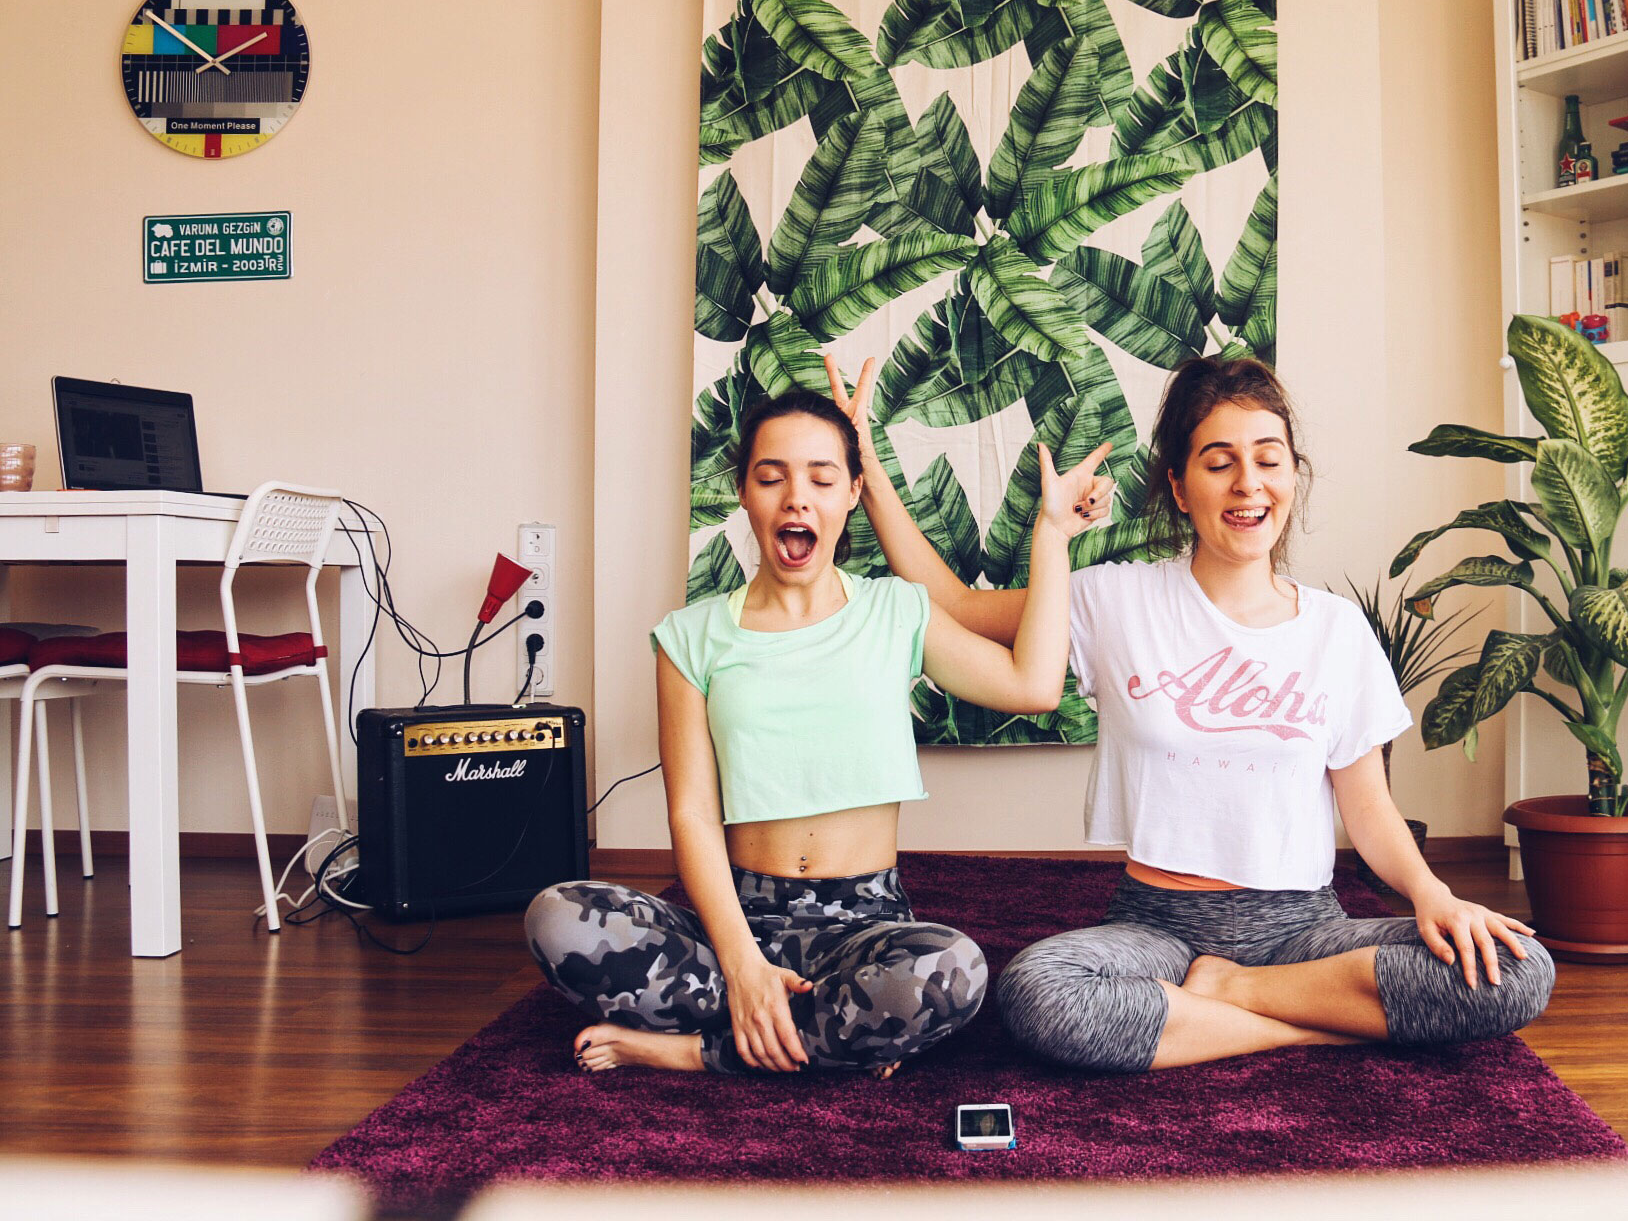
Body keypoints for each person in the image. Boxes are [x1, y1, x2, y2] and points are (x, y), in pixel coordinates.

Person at [836, 352, 1555, 1072]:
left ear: (1292, 478)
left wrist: (1435, 896)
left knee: (1519, 967)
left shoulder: (1337, 630)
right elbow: (955, 605)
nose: (1249, 483)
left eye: (1268, 460)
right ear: (1179, 488)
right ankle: (1307, 1019)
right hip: (1157, 928)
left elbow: (1368, 810)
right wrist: (862, 466)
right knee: (1040, 993)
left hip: (1303, 928)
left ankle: (1230, 995)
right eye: (1219, 463)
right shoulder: (1115, 601)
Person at [525, 386, 1110, 1077]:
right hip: (735, 920)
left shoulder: (897, 611)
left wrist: (1051, 533)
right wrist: (742, 962)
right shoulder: (690, 637)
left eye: (822, 478)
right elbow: (690, 812)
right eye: (771, 478)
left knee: (953, 968)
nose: (796, 497)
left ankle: (700, 1050)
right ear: (744, 492)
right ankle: (834, 1030)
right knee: (554, 915)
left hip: (865, 925)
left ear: (854, 492)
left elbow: (1033, 685)